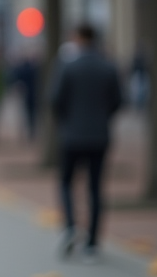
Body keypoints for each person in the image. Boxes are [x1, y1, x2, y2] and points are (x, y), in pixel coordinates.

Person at [51, 23, 122, 262]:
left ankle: (71, 225)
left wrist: (68, 121)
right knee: (95, 188)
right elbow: (118, 101)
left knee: (66, 182)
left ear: (78, 38)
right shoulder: (109, 66)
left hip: (72, 135)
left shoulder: (68, 66)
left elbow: (56, 99)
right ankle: (92, 242)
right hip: (100, 136)